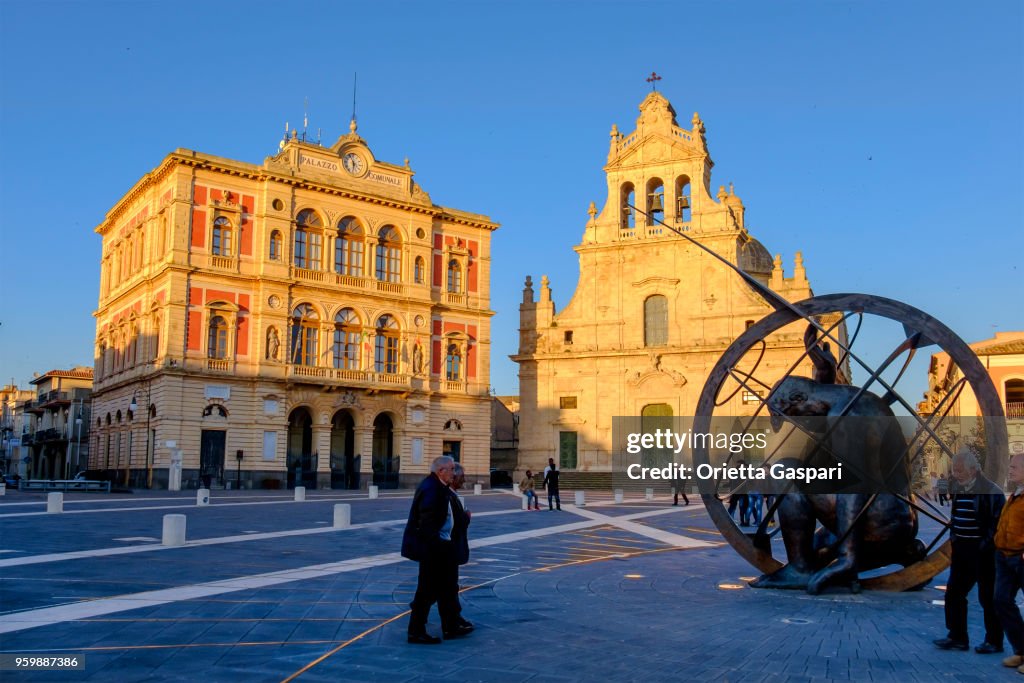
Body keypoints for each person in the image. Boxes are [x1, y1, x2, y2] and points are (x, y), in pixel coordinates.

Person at [933, 450, 1005, 654]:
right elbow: (956, 515)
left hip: (983, 552)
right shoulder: (958, 487)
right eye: (954, 470)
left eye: (960, 470)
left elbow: (997, 524)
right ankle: (957, 637)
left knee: (988, 598)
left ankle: (994, 641)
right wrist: (955, 538)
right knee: (954, 594)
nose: (956, 474)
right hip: (961, 549)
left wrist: (984, 545)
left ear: (974, 470)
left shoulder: (992, 491)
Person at [401, 456, 471, 643]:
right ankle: (416, 631)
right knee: (426, 591)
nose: (454, 473)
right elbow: (427, 525)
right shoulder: (432, 489)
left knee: (447, 589)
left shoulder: (439, 487)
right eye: (451, 469)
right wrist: (439, 548)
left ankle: (451, 626)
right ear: (441, 471)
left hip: (442, 547)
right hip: (434, 550)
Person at [995, 453, 1024, 673]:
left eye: (1014, 466)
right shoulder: (1016, 494)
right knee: (1002, 600)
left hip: (1020, 557)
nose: (1010, 469)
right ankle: (1021, 651)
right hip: (1005, 557)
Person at [444, 464, 474, 635]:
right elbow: (451, 524)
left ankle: (454, 619)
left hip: (448, 549)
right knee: (434, 590)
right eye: (462, 476)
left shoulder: (451, 494)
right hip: (447, 549)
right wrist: (466, 517)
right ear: (453, 477)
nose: (465, 479)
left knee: (447, 587)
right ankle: (450, 623)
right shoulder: (446, 495)